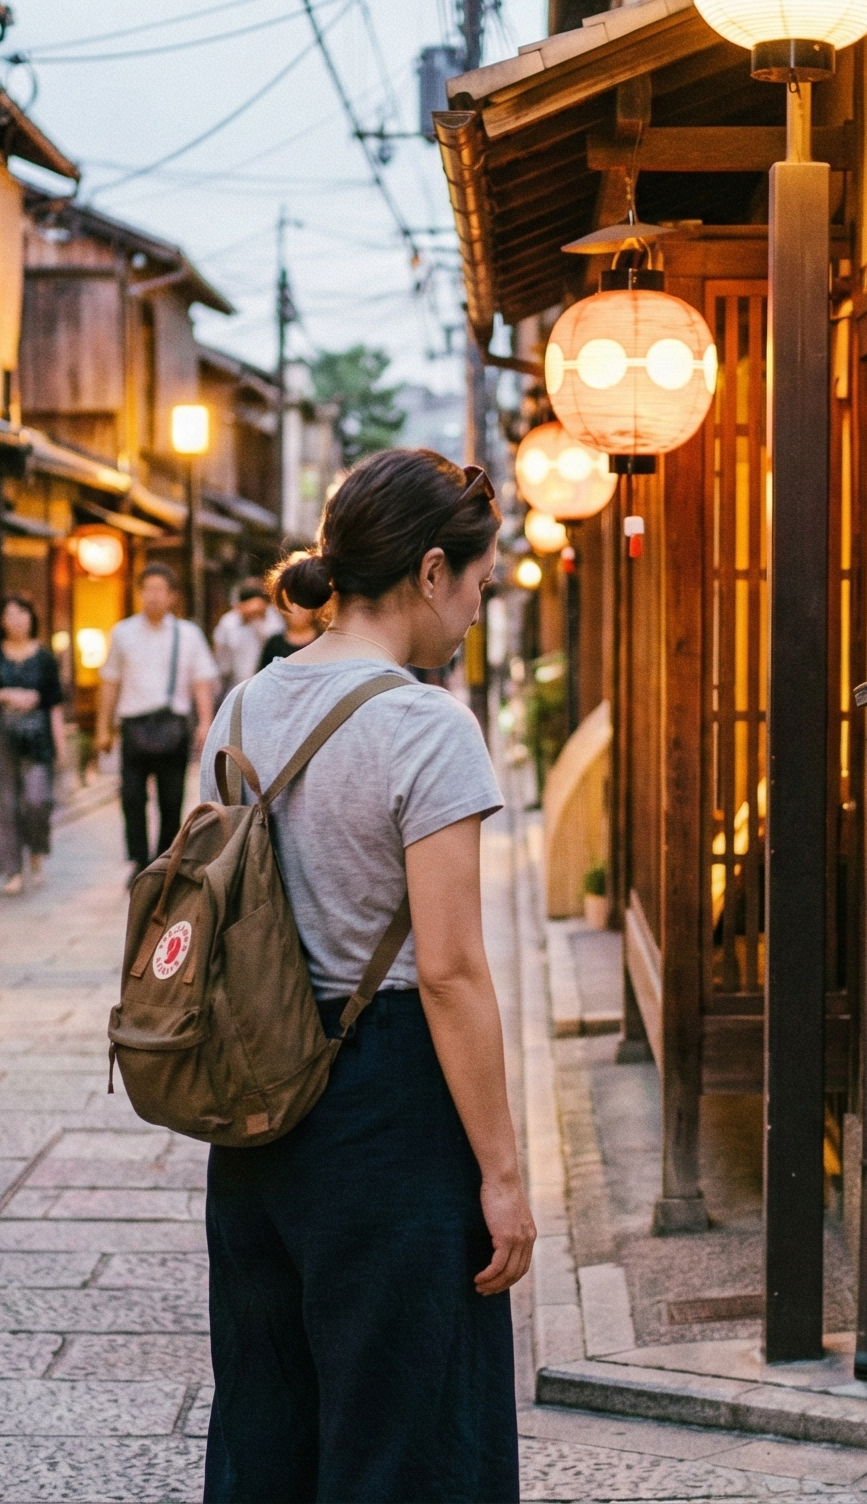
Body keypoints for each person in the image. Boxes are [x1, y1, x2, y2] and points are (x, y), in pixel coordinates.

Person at [198, 450, 532, 1502]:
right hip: (386, 1100)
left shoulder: (243, 708)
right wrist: (504, 1173)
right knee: (406, 1427)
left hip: (257, 1103)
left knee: (267, 1413)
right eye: (479, 583)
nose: (477, 609)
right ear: (432, 571)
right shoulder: (424, 725)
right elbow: (449, 971)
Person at [96, 562, 216, 867]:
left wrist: (205, 723)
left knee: (171, 799)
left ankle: (165, 861)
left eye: (160, 590)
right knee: (132, 798)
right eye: (147, 590)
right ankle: (138, 860)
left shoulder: (188, 634)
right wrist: (103, 728)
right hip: (133, 725)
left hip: (172, 725)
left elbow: (201, 681)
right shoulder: (123, 632)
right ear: (139, 593)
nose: (153, 597)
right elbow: (110, 682)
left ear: (172, 596)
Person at [0, 594, 68, 896]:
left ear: (31, 617)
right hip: (0, 735)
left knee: (36, 799)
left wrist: (61, 746)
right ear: (1, 620)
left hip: (37, 736)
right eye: (10, 614)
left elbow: (54, 704)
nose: (16, 619)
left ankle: (36, 852)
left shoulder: (44, 658)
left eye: (22, 613)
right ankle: (11, 868)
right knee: (3, 802)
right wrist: (5, 695)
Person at [257, 552, 322, 668]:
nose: (298, 609)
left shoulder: (324, 641)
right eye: (292, 602)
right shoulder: (273, 644)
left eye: (304, 600)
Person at [210, 577, 273, 692]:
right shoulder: (229, 622)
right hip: (237, 688)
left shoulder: (273, 619)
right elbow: (221, 662)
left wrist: (259, 618)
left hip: (268, 687)